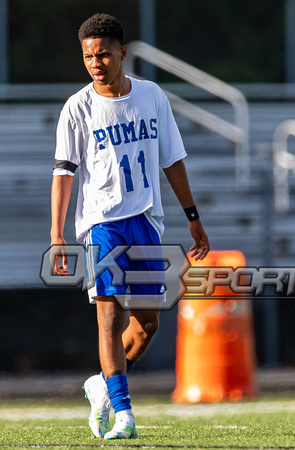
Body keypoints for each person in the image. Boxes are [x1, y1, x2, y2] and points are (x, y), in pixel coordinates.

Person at [50, 13, 210, 440]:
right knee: (109, 315)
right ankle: (123, 413)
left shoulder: (152, 96)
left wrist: (193, 217)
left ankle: (101, 384)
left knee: (147, 326)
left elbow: (172, 160)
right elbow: (63, 174)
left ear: (122, 52)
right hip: (101, 224)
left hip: (145, 221)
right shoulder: (77, 108)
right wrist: (57, 233)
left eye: (103, 54)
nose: (95, 63)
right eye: (88, 56)